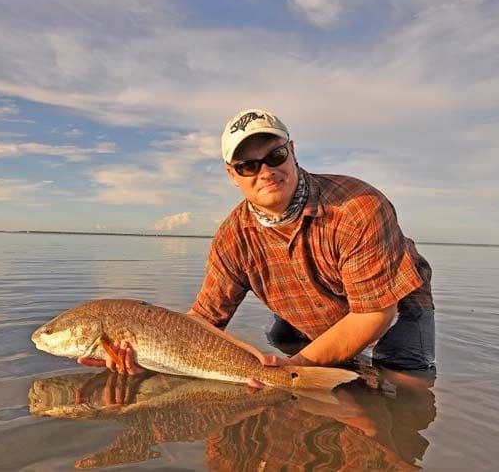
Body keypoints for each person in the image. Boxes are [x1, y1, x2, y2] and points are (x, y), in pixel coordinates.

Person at [79, 109, 436, 382]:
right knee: (281, 339)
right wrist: (148, 356)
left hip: (393, 308)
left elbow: (374, 313)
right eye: (248, 165)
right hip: (307, 313)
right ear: (232, 175)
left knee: (405, 386)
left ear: (292, 152)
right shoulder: (232, 237)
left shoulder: (358, 207)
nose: (265, 172)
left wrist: (294, 370)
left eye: (275, 156)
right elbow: (202, 321)